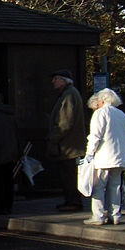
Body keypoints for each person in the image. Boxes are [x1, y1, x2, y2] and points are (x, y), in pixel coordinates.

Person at [82, 88, 125, 225]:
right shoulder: (121, 114)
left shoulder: (100, 113)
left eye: (98, 99)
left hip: (103, 157)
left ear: (102, 99)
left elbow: (96, 136)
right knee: (115, 187)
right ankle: (115, 215)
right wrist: (124, 149)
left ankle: (98, 216)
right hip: (119, 158)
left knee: (98, 187)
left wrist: (89, 153)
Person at [46, 69, 86, 211]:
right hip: (70, 144)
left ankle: (73, 202)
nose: (53, 81)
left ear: (64, 80)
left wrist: (54, 138)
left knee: (68, 175)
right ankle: (71, 200)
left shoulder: (68, 95)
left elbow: (65, 122)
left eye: (56, 78)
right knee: (67, 174)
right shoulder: (69, 94)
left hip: (68, 146)